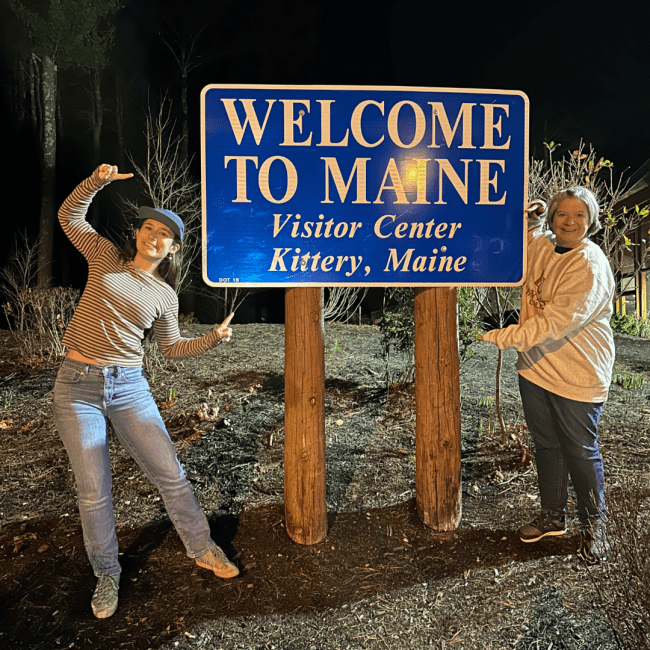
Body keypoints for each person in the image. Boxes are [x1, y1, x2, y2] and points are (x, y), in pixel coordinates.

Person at [53, 164, 239, 620]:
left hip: (129, 387)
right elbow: (69, 216)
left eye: (164, 234)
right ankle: (106, 573)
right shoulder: (104, 258)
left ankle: (202, 547)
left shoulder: (164, 295)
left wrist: (214, 338)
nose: (152, 236)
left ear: (173, 247)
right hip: (77, 386)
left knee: (170, 473)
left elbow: (172, 349)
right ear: (138, 233)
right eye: (148, 227)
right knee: (94, 489)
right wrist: (95, 181)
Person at [478, 187, 615, 563]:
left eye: (579, 216)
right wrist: (531, 221)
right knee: (548, 446)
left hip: (577, 373)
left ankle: (595, 528)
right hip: (536, 368)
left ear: (591, 221)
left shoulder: (589, 264)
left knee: (580, 451)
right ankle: (553, 515)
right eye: (561, 215)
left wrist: (504, 336)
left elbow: (557, 322)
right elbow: (529, 245)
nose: (570, 223)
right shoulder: (545, 247)